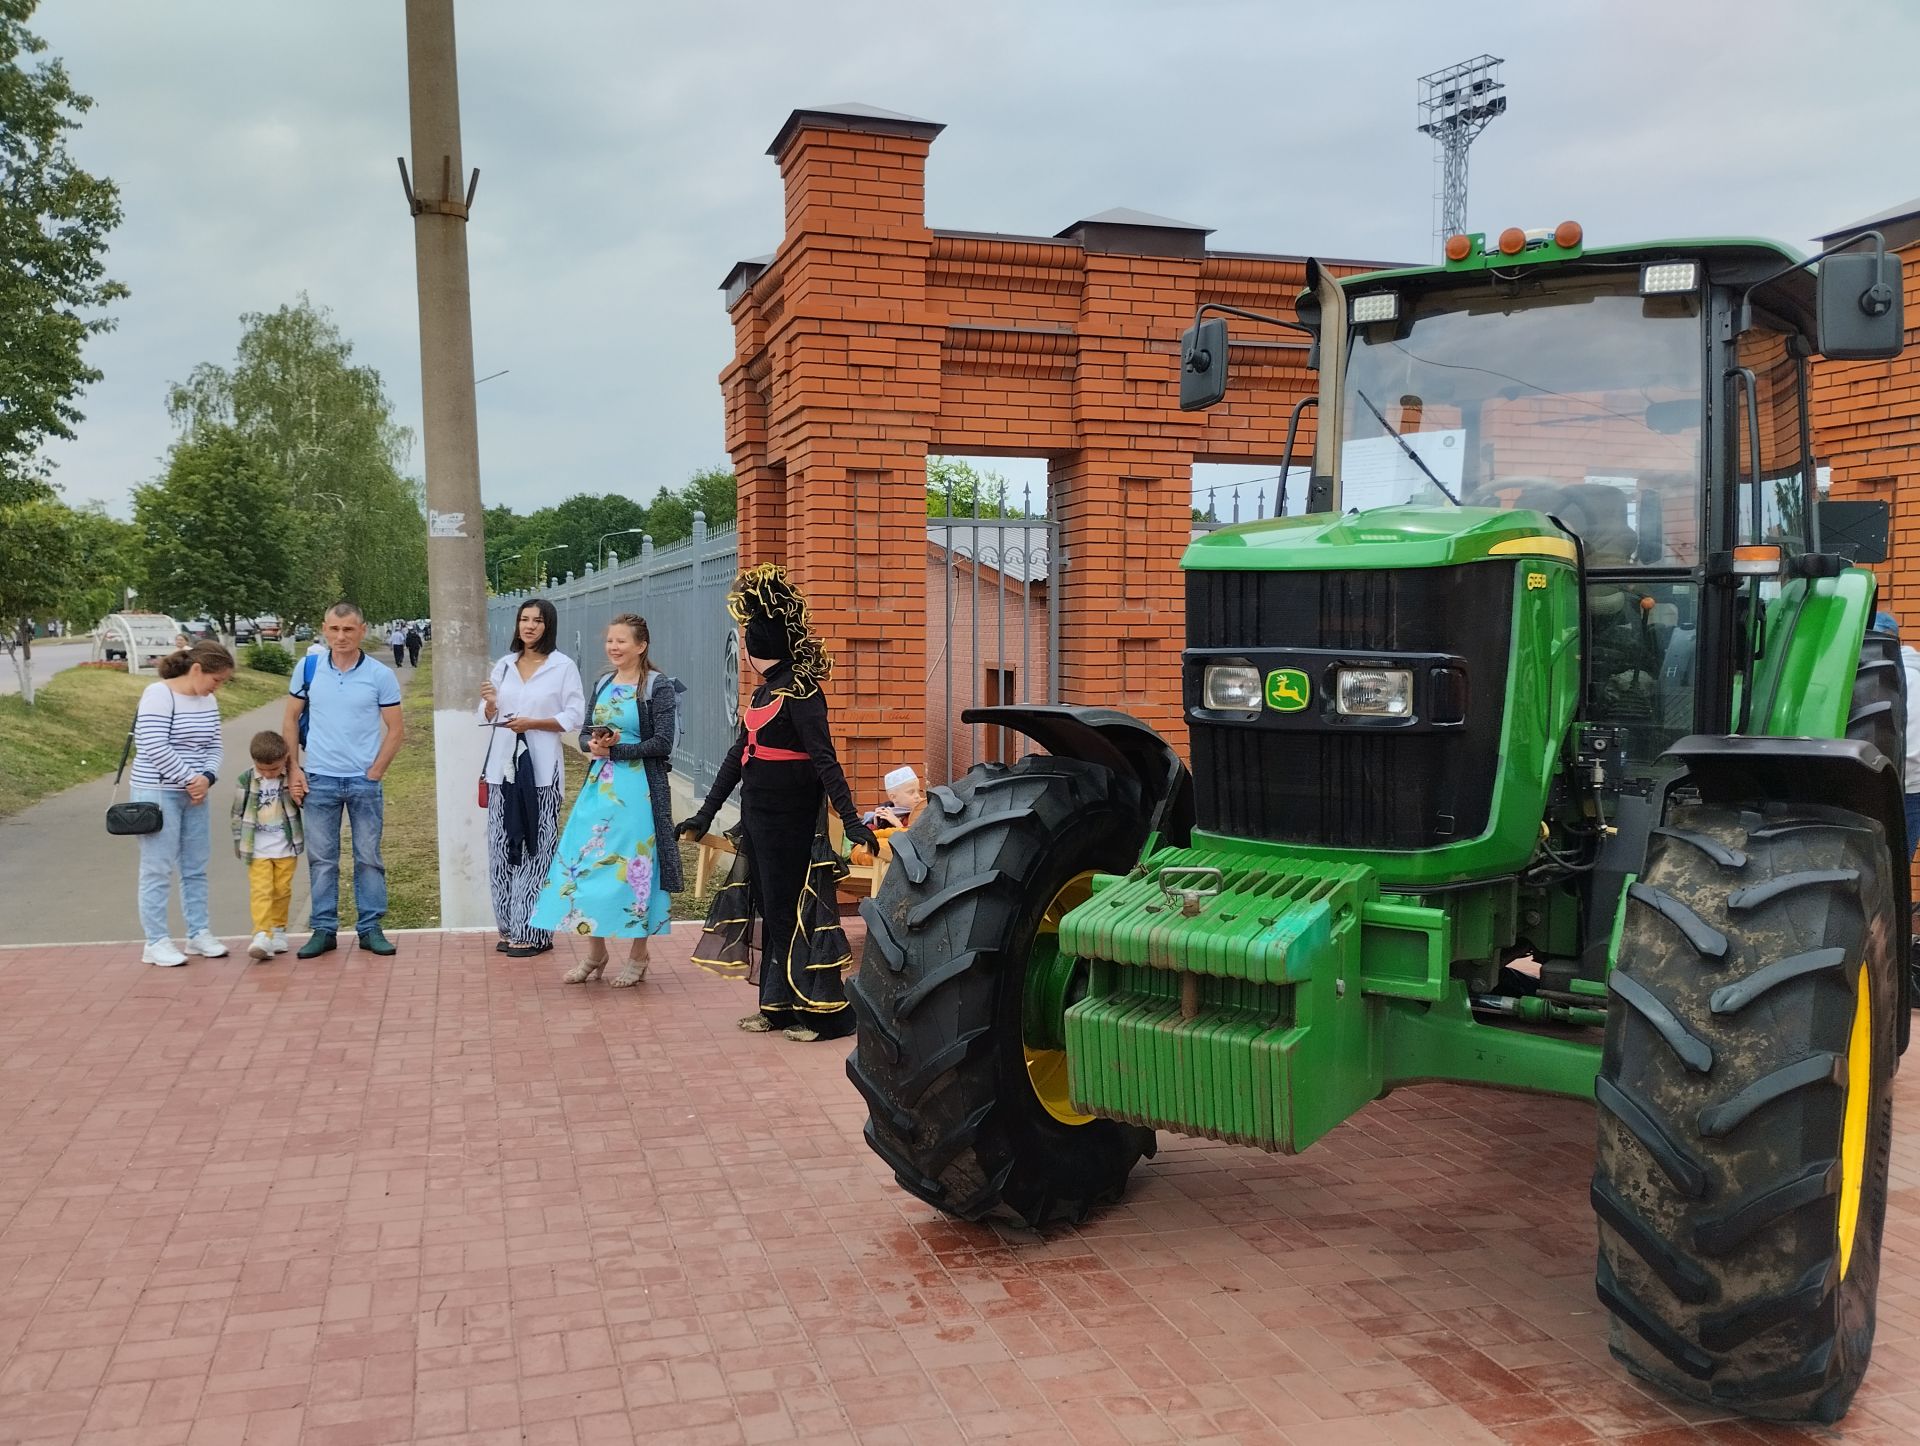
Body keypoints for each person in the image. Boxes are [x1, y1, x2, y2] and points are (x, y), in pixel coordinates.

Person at [678, 565, 879, 1042]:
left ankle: (826, 1016)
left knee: (797, 912)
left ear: (756, 647)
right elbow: (737, 757)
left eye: (746, 641)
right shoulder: (762, 692)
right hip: (760, 822)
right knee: (770, 911)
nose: (743, 650)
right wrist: (703, 815)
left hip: (795, 826)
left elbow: (826, 761)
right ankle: (778, 1008)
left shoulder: (803, 692)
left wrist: (851, 824)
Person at [529, 613, 678, 985]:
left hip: (640, 794)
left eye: (621, 641)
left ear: (641, 646)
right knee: (588, 866)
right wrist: (592, 746)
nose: (613, 647)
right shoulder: (603, 682)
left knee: (634, 871)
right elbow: (583, 735)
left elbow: (663, 742)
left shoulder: (657, 687)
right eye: (610, 641)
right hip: (600, 790)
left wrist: (617, 751)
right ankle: (595, 953)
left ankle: (638, 955)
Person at [284, 602, 405, 958]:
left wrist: (375, 771)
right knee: (322, 859)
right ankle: (324, 929)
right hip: (318, 778)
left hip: (362, 781)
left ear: (362, 631)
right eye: (334, 630)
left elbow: (396, 729)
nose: (341, 637)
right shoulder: (308, 668)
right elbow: (291, 720)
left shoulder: (379, 675)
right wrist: (294, 769)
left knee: (368, 857)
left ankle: (370, 928)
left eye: (348, 630)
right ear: (324, 629)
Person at [479, 599, 586, 958]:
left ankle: (534, 931)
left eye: (537, 621)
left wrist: (533, 723)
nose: (529, 626)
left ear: (548, 626)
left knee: (536, 848)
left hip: (540, 773)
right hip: (502, 771)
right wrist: (492, 705)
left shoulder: (562, 667)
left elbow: (574, 715)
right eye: (524, 619)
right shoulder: (505, 666)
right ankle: (509, 927)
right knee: (500, 847)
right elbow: (487, 714)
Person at [130, 641, 235, 966]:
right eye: (216, 679)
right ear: (197, 669)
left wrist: (206, 777)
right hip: (157, 792)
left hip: (195, 793)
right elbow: (153, 745)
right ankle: (156, 941)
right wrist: (191, 779)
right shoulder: (159, 694)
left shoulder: (209, 701)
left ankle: (198, 933)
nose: (217, 687)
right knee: (157, 868)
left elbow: (215, 746)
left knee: (195, 866)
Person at [231, 730, 304, 962]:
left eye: (273, 769)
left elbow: (300, 804)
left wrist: (297, 791)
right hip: (258, 849)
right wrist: (238, 842)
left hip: (285, 847)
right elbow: (237, 813)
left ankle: (279, 930)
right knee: (262, 891)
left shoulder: (290, 777)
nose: (268, 773)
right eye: (262, 769)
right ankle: (262, 934)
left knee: (282, 890)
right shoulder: (245, 780)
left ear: (285, 758)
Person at [864, 765, 924, 831]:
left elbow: (917, 838)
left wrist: (898, 824)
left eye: (918, 791)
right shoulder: (886, 812)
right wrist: (876, 825)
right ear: (893, 797)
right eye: (911, 792)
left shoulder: (923, 812)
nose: (917, 796)